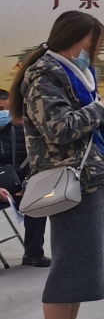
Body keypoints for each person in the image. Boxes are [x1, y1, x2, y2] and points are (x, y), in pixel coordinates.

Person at [12, 11, 104, 319]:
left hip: (90, 178)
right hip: (71, 180)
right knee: (69, 267)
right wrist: (102, 107)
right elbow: (59, 128)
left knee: (83, 269)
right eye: (92, 41)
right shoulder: (44, 75)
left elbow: (84, 123)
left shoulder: (70, 72)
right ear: (76, 39)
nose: (94, 50)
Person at [0, 87, 48, 267]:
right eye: (0, 110)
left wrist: (27, 185)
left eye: (7, 109)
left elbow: (33, 161)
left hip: (18, 185)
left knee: (38, 200)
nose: (4, 113)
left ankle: (33, 254)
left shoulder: (24, 129)